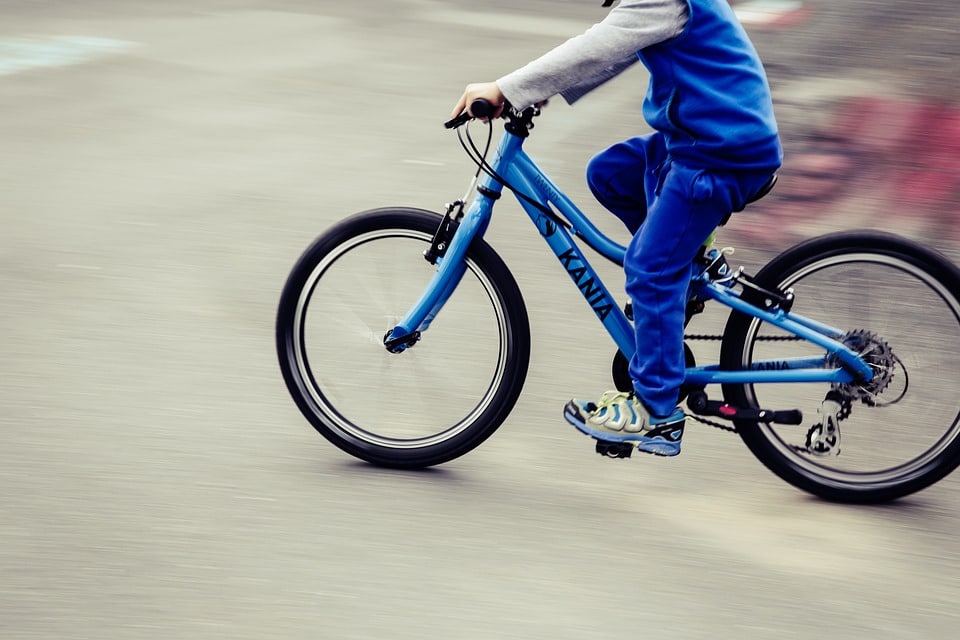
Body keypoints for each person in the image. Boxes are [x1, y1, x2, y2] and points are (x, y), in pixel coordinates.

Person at [450, 0, 782, 457]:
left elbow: (600, 44)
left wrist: (508, 88)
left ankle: (657, 413)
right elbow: (619, 43)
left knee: (650, 271)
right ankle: (687, 262)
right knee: (609, 174)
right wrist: (537, 88)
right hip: (703, 141)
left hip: (717, 155)